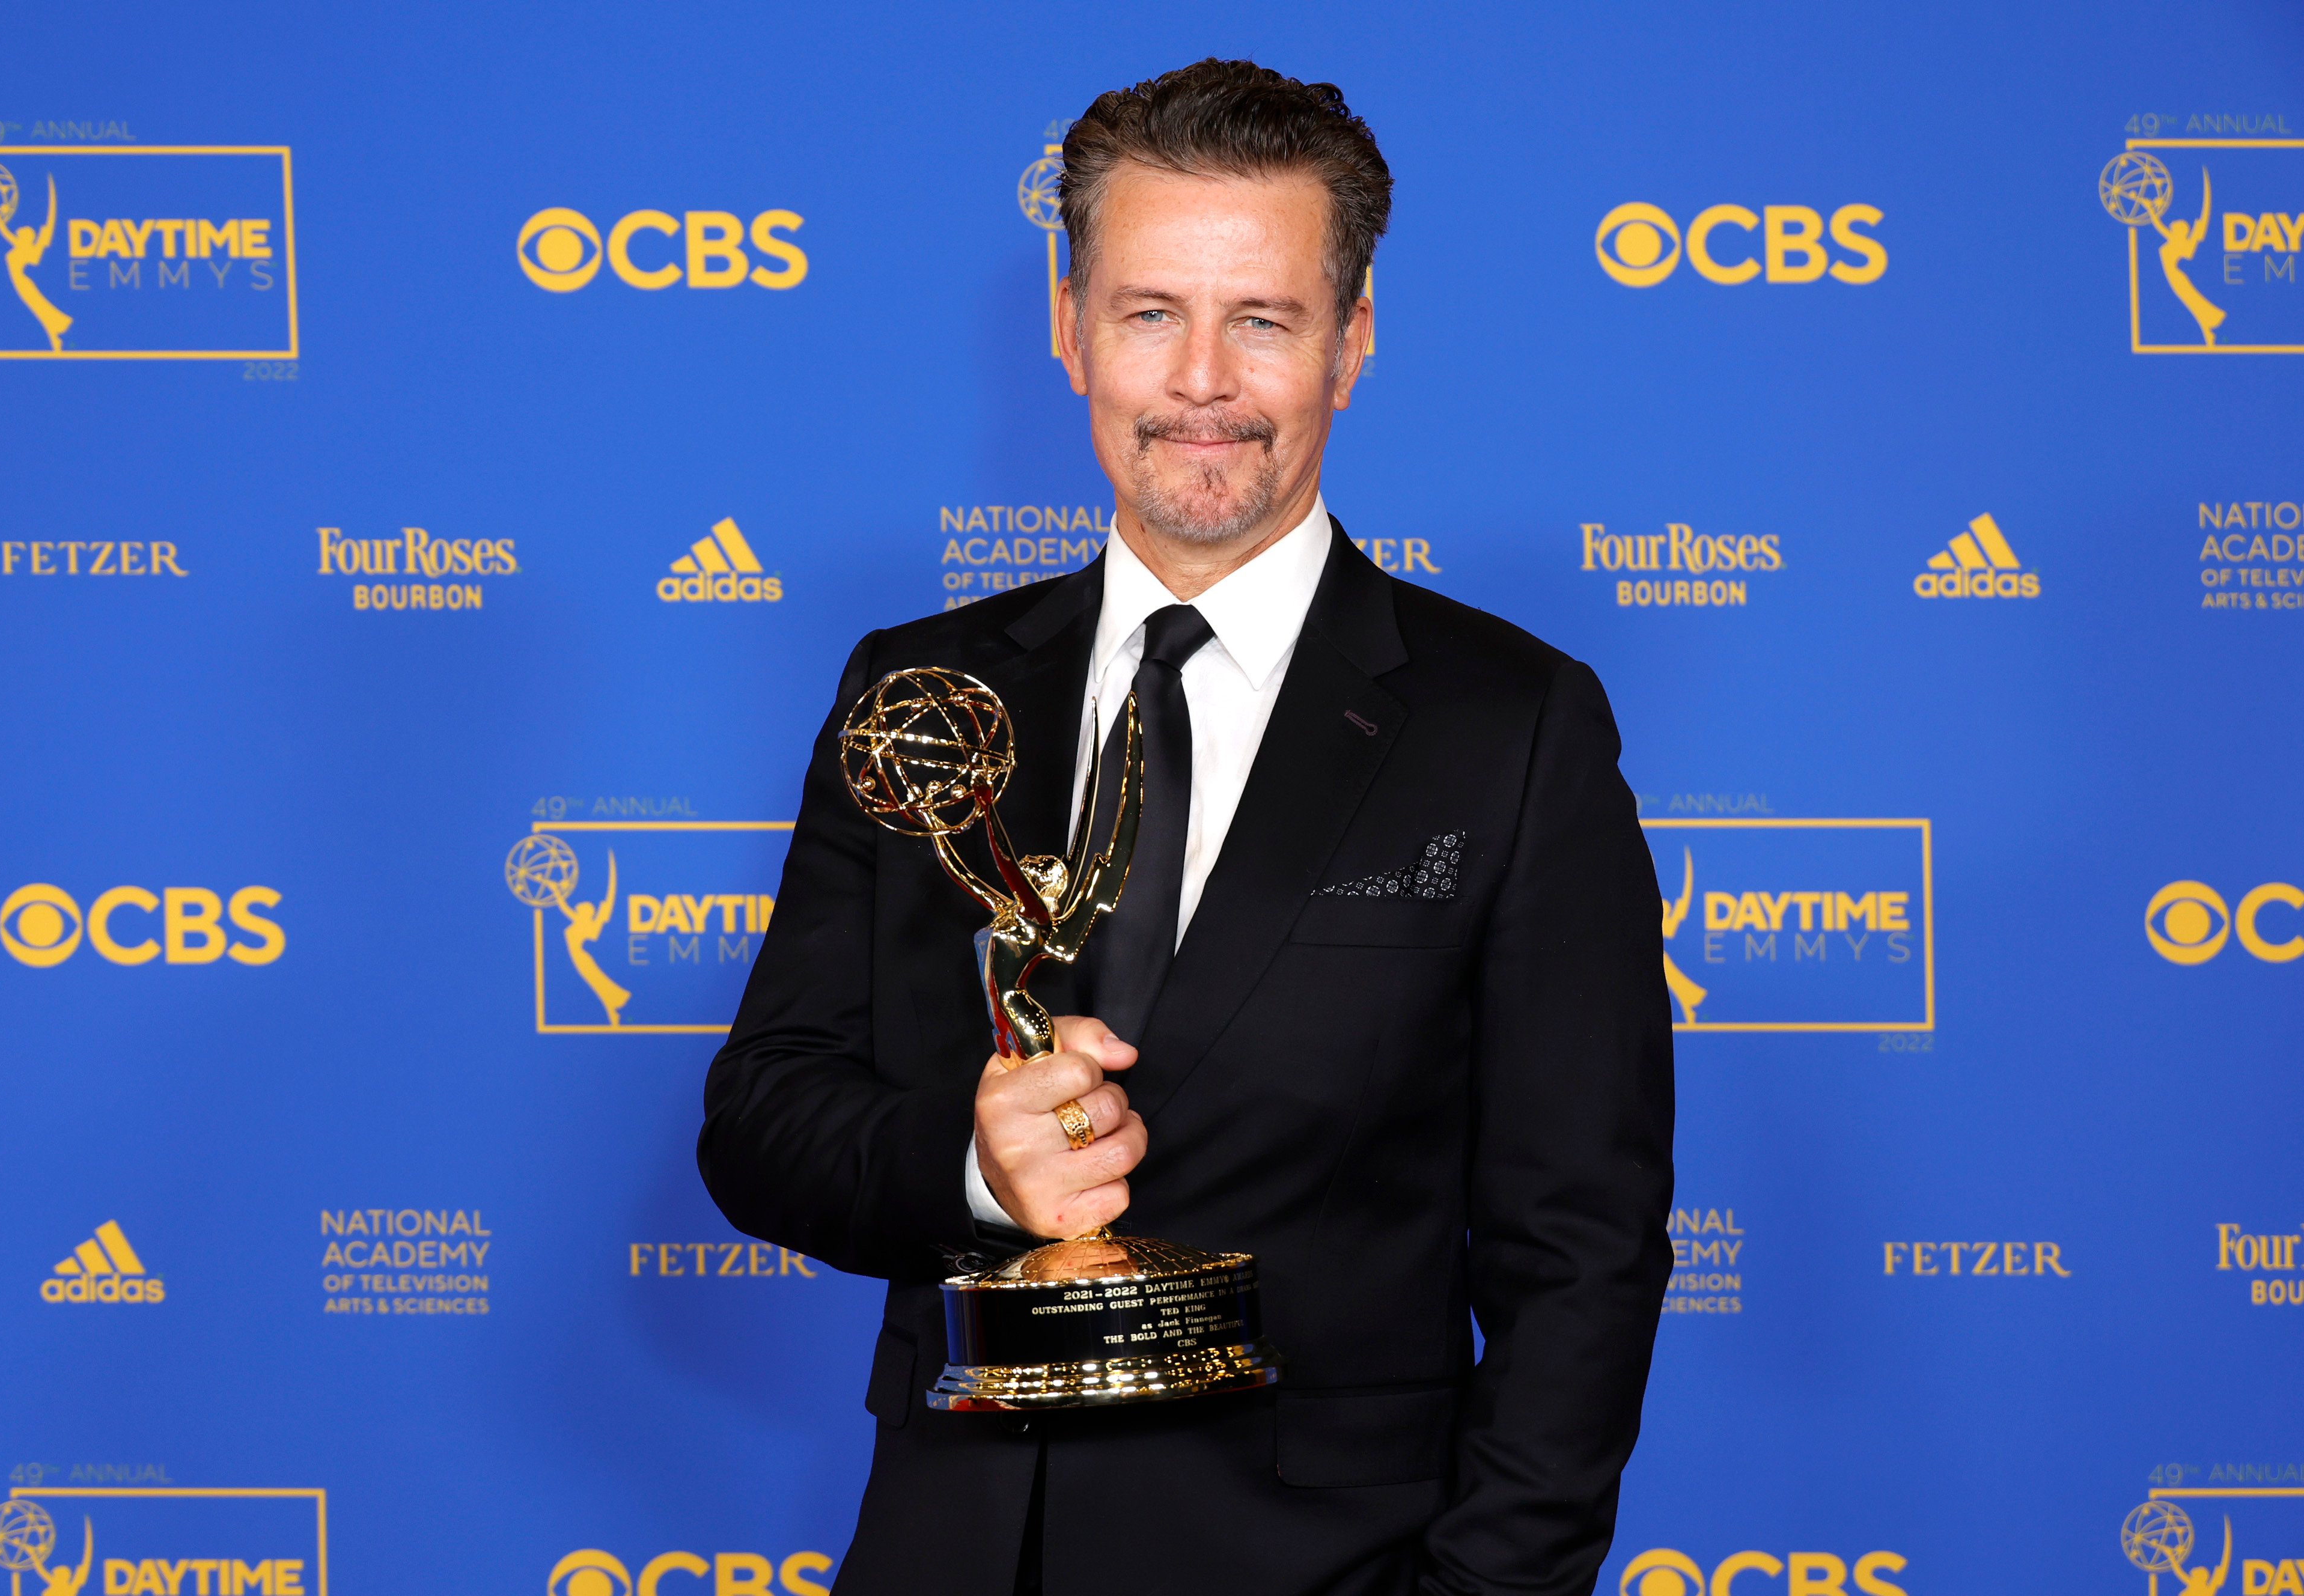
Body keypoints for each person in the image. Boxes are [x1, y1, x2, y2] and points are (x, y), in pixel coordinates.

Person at [701, 58, 1674, 1596]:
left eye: (1264, 319)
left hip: (1328, 1565)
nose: (1203, 381)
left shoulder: (1512, 726)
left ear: (1351, 343)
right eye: (1153, 311)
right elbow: (763, 1121)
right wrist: (968, 1161)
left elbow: (1583, 1255)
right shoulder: (921, 695)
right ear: (1069, 323)